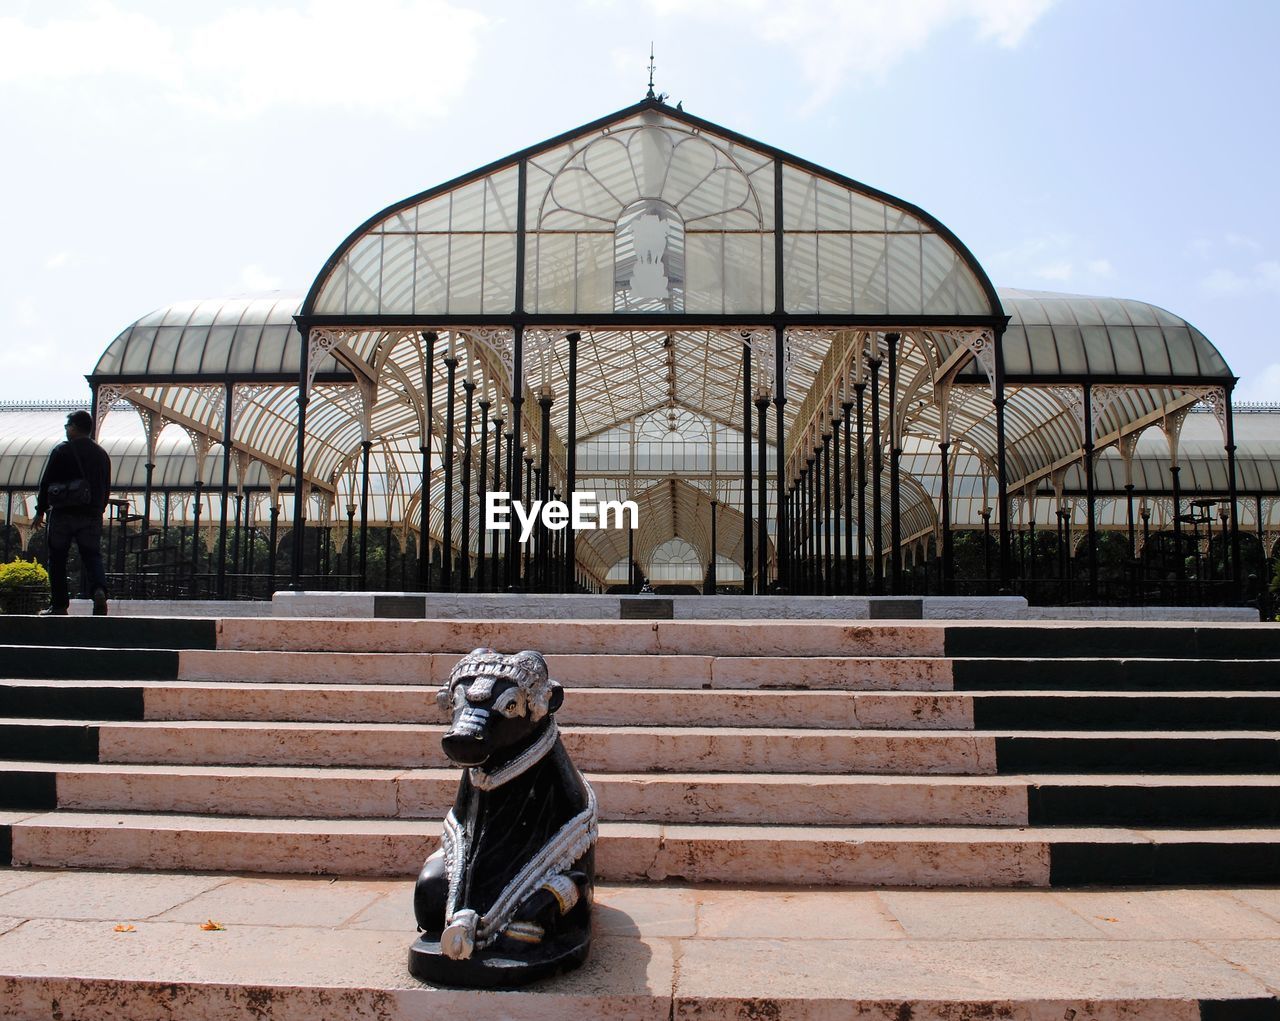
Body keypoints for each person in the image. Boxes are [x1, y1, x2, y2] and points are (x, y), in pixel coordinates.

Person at [32, 410, 112, 616]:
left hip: (64, 512)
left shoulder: (62, 450)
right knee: (92, 555)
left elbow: (46, 482)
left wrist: (40, 510)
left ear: (75, 427)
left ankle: (59, 604)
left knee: (57, 557)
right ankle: (99, 591)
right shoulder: (101, 454)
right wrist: (99, 509)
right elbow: (106, 486)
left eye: (67, 426)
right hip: (91, 514)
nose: (66, 429)